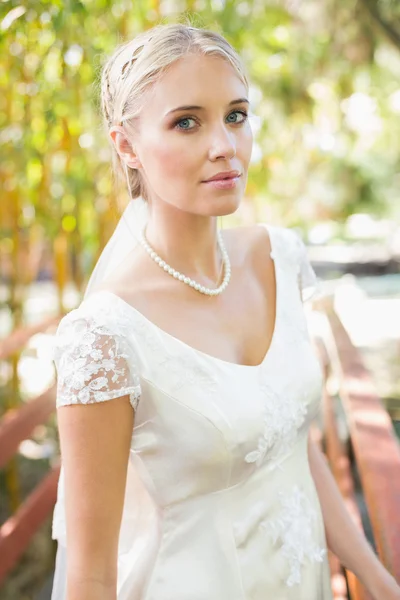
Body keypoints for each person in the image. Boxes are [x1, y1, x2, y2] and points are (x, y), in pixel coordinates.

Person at [50, 23, 400, 600]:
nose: (224, 145)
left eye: (235, 115)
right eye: (187, 122)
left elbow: (290, 438)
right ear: (126, 145)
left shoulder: (277, 258)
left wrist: (378, 578)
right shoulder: (105, 337)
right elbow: (90, 574)